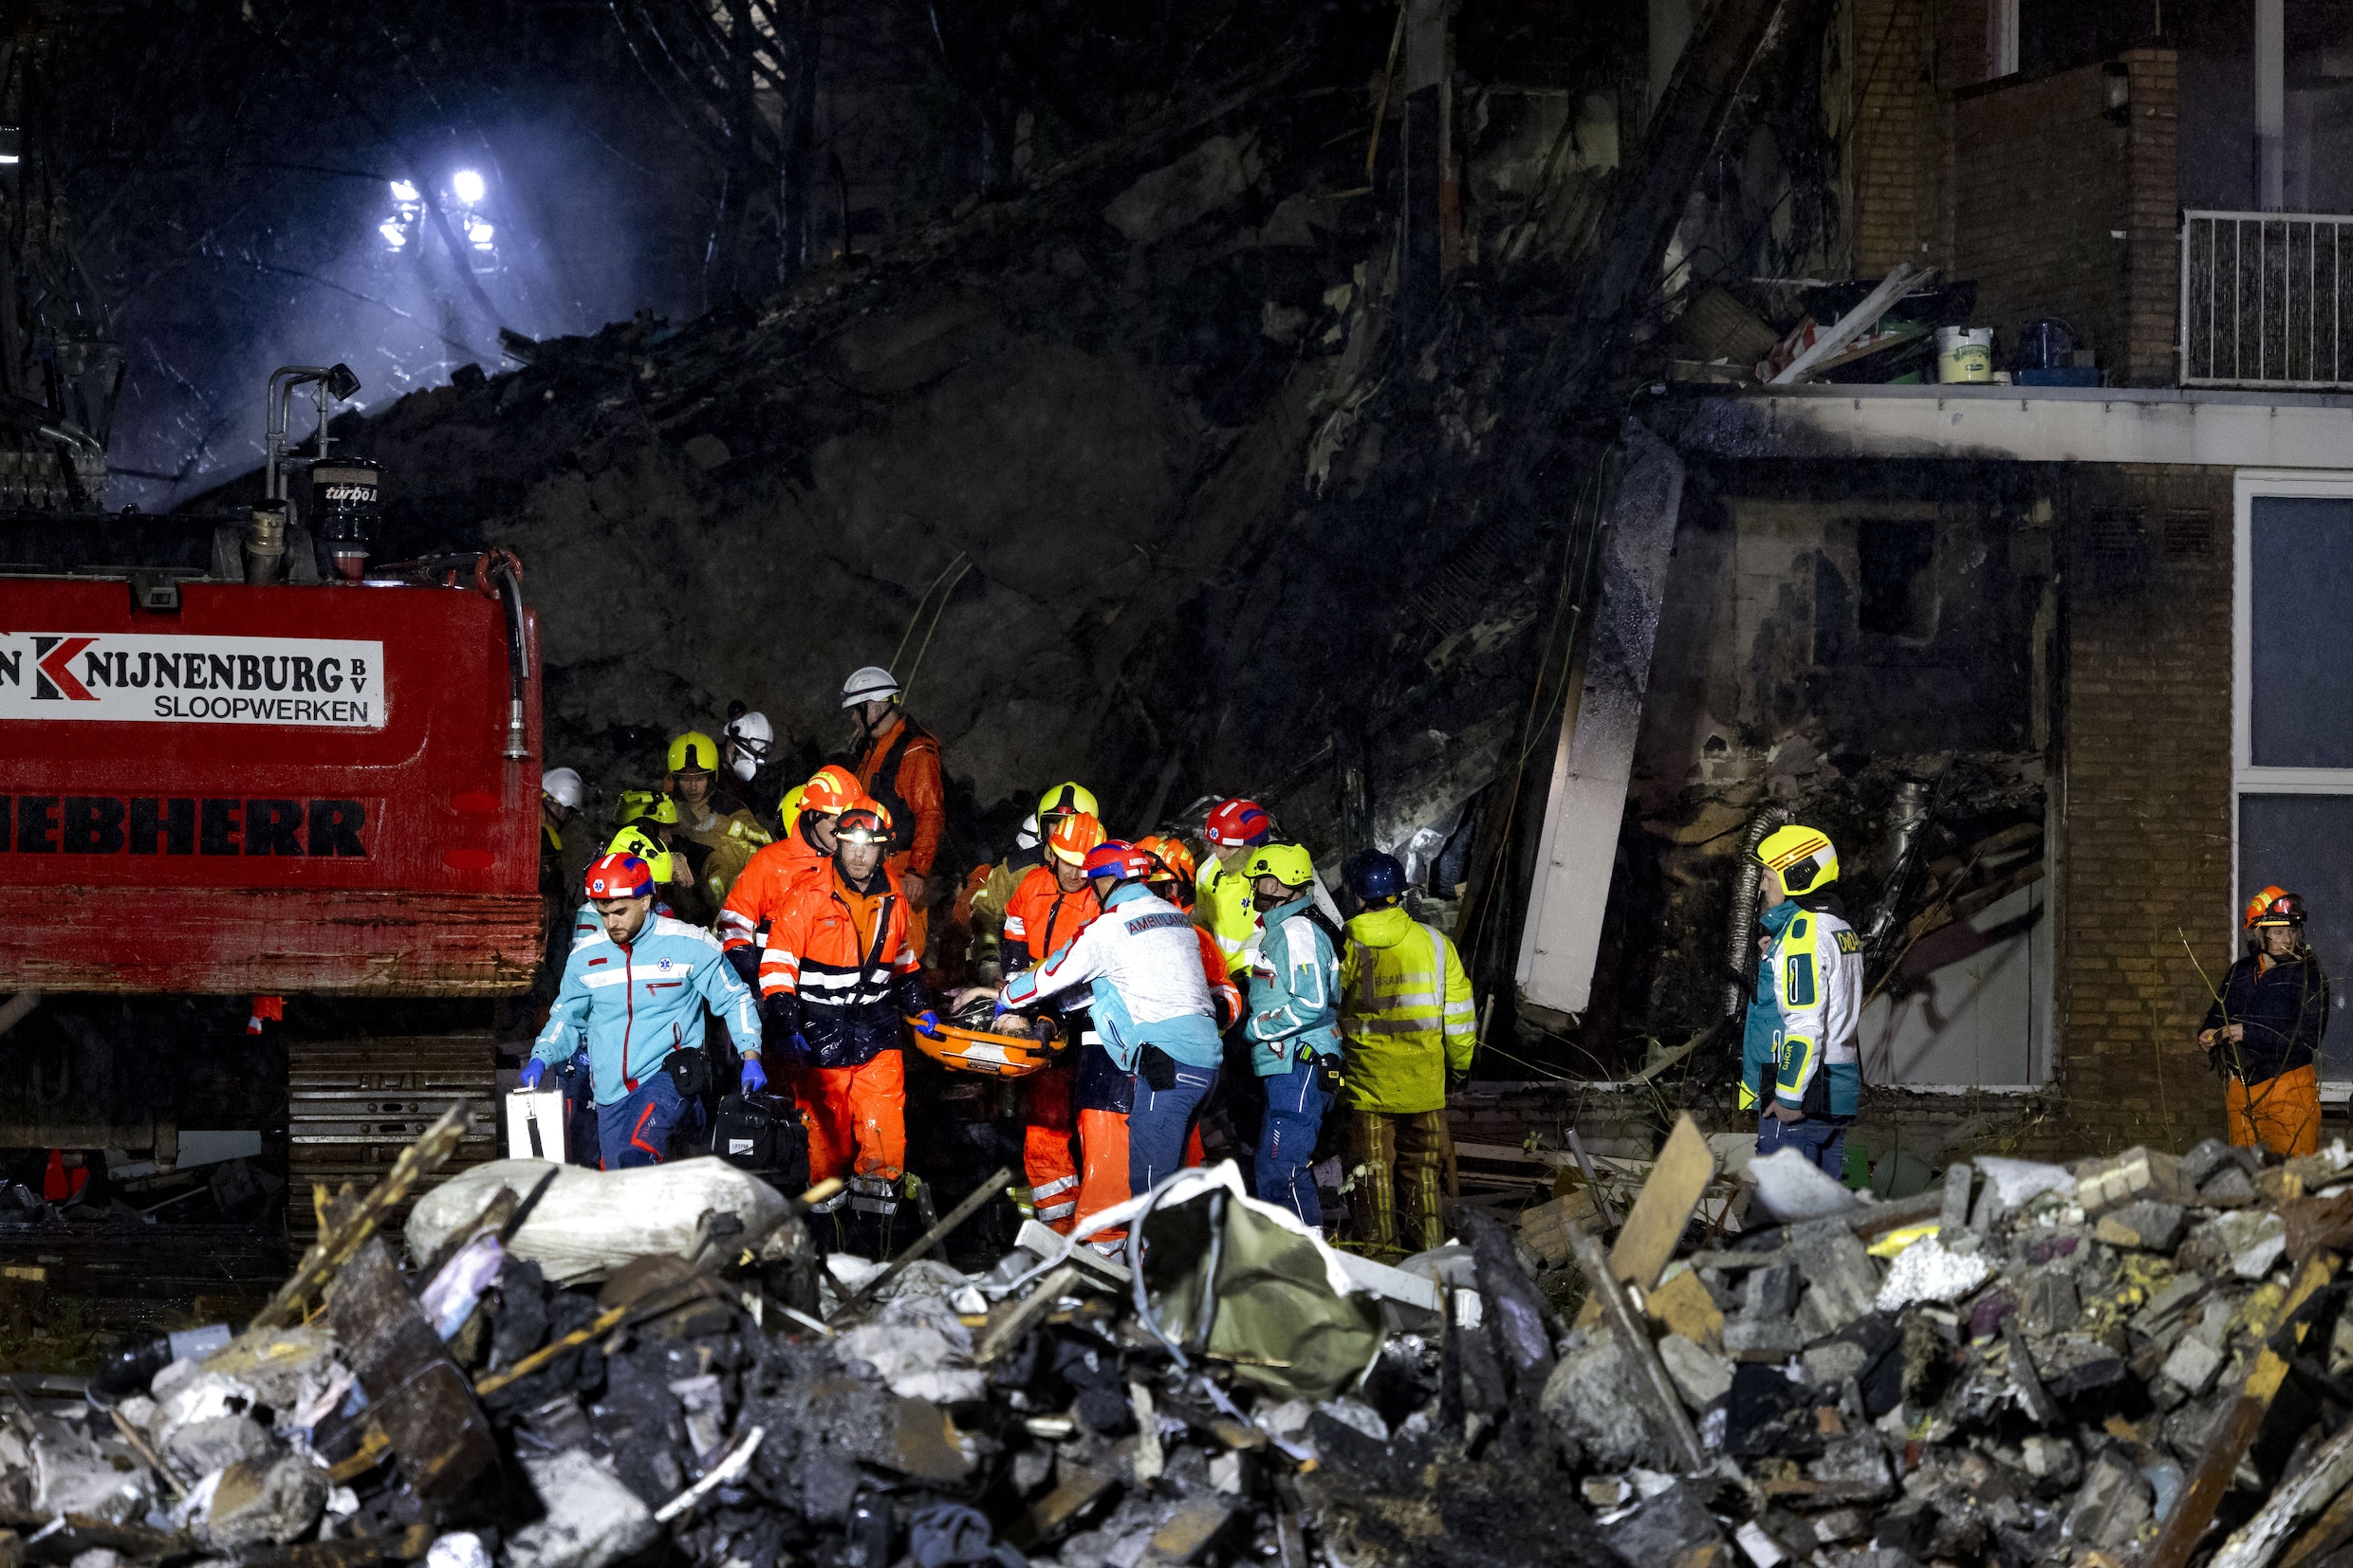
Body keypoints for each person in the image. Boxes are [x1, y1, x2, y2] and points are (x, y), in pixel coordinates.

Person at [759, 801, 943, 1245]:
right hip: (821, 1033)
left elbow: (902, 962)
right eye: (850, 844)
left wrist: (921, 1006)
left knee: (884, 1138)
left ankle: (876, 1241)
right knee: (824, 1147)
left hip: (877, 1031)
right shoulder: (808, 896)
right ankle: (827, 1243)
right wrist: (787, 1019)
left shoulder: (894, 899)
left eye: (869, 846)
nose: (859, 855)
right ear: (837, 844)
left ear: (882, 850)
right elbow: (778, 964)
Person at [996, 840, 1222, 1200]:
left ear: (1104, 881)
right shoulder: (1177, 920)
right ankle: (1180, 1253)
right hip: (1207, 1065)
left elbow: (1050, 976)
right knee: (1175, 1181)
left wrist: (1004, 998)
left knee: (1149, 1188)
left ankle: (1153, 1256)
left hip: (1164, 1065)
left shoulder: (1108, 926)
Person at [525, 852, 761, 1169]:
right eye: (603, 912)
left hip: (667, 1077)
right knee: (618, 1180)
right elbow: (567, 1018)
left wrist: (751, 1056)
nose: (611, 923)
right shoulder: (585, 956)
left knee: (636, 1156)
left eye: (620, 911)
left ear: (646, 899)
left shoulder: (690, 945)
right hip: (608, 1091)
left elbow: (735, 998)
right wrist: (541, 1057)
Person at [1334, 849, 1475, 1261]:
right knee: (1425, 1185)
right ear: (1399, 894)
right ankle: (1433, 1277)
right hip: (1426, 1091)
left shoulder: (1344, 942)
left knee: (1373, 1184)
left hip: (1368, 1093)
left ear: (1356, 896)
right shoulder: (1436, 943)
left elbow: (1325, 1007)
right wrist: (1460, 1068)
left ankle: (1386, 1284)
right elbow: (1461, 1018)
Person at [997, 810, 1109, 1232]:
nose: (1078, 871)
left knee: (1096, 1132)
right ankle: (1060, 1229)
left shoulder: (1101, 902)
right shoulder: (1031, 887)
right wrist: (1013, 987)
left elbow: (1089, 973)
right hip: (1042, 1013)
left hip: (1092, 1026)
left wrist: (1050, 1013)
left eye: (1086, 862)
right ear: (1051, 855)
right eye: (1069, 860)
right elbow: (1013, 929)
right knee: (1044, 1128)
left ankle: (1101, 1228)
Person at [1239, 841, 1344, 1230]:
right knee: (1272, 1168)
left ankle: (1311, 1268)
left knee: (1282, 1169)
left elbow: (1312, 1002)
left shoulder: (1296, 930)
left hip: (1300, 1060)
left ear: (1286, 884)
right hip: (1288, 1063)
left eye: (1263, 879)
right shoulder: (1284, 929)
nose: (1257, 887)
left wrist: (1254, 1028)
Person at [1753, 823, 1862, 1175]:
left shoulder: (1803, 935)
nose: (1762, 886)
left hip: (1805, 1094)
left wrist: (1787, 1097)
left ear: (1798, 876)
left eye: (1769, 876)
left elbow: (1805, 1024)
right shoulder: (1839, 929)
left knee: (1781, 1221)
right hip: (1838, 1092)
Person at [2200, 887, 2331, 1157]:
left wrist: (2247, 1033)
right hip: (2243, 1089)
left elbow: (2307, 1037)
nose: (2288, 938)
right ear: (2261, 933)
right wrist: (2207, 1033)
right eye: (2279, 932)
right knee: (2247, 1179)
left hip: (2290, 1088)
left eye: (2292, 931)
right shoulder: (2241, 971)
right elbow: (2216, 1013)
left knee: (2291, 1182)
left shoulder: (2309, 976)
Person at [717, 765, 862, 979]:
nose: (844, 831)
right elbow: (735, 919)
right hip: (777, 982)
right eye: (836, 821)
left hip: (842, 989)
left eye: (850, 821)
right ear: (813, 814)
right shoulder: (770, 862)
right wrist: (744, 963)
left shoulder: (861, 862)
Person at [843, 666, 947, 965]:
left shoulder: (914, 748)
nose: (852, 718)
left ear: (874, 706)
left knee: (903, 960)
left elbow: (930, 812)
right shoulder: (872, 748)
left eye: (855, 710)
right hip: (869, 867)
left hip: (900, 870)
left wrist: (917, 871)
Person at [969, 783, 1096, 982]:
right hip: (1015, 974)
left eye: (1071, 822)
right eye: (1055, 822)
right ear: (1044, 827)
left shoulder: (1103, 878)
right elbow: (984, 912)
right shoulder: (1019, 869)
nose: (1062, 829)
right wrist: (991, 965)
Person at [667, 730, 771, 910]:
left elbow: (764, 841)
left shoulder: (727, 805)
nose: (693, 787)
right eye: (685, 779)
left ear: (711, 777)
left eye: (700, 778)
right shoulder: (663, 808)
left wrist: (721, 824)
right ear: (676, 779)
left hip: (730, 900)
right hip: (681, 898)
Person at [1198, 798, 1274, 976]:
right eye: (1215, 844)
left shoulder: (1275, 883)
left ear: (1255, 845)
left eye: (1229, 847)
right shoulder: (1207, 871)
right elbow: (1201, 921)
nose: (1218, 854)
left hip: (1258, 978)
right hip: (1217, 976)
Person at [720, 706, 782, 825]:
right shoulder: (708, 768)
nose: (747, 765)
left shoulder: (751, 789)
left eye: (752, 762)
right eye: (744, 757)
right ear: (731, 745)